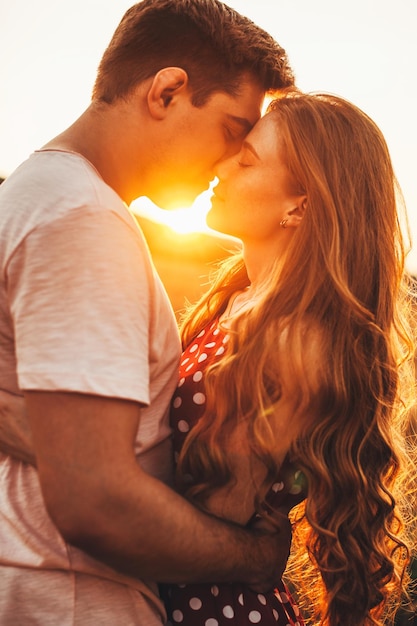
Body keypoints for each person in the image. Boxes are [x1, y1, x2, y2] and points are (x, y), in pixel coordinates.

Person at [0, 1, 296, 623]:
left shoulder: (34, 193)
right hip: (70, 599)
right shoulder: (82, 220)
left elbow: (74, 448)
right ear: (166, 91)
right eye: (231, 130)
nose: (226, 163)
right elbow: (94, 500)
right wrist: (254, 557)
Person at [161, 92, 417, 625]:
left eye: (246, 158)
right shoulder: (236, 303)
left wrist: (64, 451)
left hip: (209, 610)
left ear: (299, 205)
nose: (222, 163)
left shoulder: (293, 340)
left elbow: (213, 520)